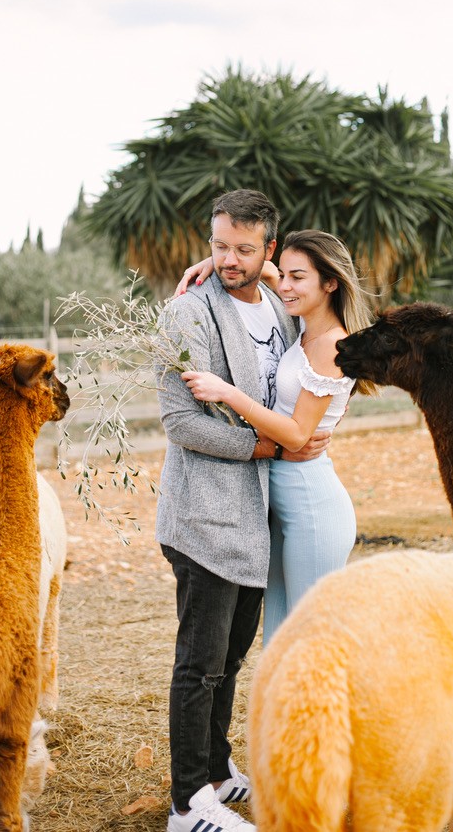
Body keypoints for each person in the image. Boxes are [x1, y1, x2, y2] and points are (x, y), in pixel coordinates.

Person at [155, 189, 332, 832]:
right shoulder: (187, 314)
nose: (228, 259)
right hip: (202, 515)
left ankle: (216, 771)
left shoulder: (282, 314)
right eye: (219, 245)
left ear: (269, 251)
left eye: (244, 249)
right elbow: (180, 422)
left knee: (229, 659)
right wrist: (260, 443)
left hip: (254, 520)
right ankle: (186, 805)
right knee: (198, 664)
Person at [178, 228, 377, 644]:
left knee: (310, 642)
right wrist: (209, 265)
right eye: (282, 275)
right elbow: (260, 269)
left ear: (330, 282)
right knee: (280, 639)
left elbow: (298, 434)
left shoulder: (332, 344)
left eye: (297, 277)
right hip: (281, 500)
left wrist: (227, 392)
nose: (284, 285)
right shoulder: (303, 326)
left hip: (312, 507)